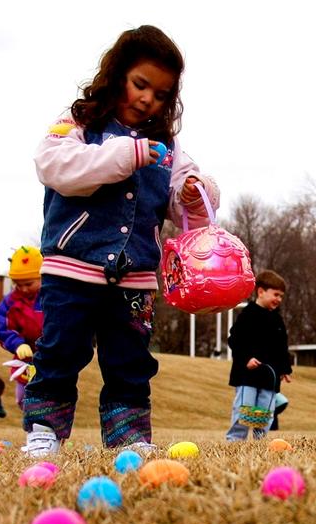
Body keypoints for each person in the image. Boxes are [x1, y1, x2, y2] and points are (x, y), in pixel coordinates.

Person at [23, 25, 219, 456]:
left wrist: (193, 191)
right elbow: (54, 166)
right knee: (59, 352)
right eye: (140, 84)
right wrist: (124, 155)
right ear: (117, 75)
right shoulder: (79, 123)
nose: (149, 99)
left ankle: (128, 437)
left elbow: (186, 206)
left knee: (130, 362)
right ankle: (44, 432)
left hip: (134, 280)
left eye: (163, 93)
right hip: (72, 269)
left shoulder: (168, 146)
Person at [225, 270, 293, 441]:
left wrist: (285, 368)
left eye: (281, 296)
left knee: (265, 412)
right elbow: (235, 340)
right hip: (247, 375)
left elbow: (282, 346)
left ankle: (259, 441)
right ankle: (235, 440)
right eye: (276, 294)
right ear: (261, 292)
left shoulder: (278, 320)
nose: (279, 299)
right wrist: (246, 358)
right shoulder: (248, 314)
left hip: (270, 376)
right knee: (244, 409)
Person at [0, 246, 44, 409]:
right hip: (24, 361)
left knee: (51, 395)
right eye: (18, 284)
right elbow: (3, 329)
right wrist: (17, 344)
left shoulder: (51, 298)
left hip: (50, 356)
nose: (23, 289)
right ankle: (31, 426)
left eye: (29, 283)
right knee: (23, 398)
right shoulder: (10, 303)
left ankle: (52, 430)